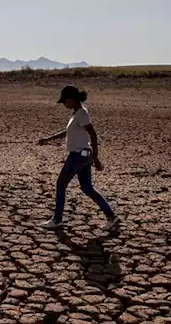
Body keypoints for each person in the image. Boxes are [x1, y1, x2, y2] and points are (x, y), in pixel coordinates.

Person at [36, 85, 119, 229]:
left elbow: (93, 134)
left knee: (61, 184)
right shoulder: (77, 114)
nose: (64, 105)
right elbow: (68, 132)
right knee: (87, 188)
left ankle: (57, 219)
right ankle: (111, 217)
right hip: (84, 156)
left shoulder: (82, 113)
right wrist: (47, 139)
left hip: (78, 157)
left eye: (65, 102)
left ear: (71, 99)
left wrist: (96, 157)